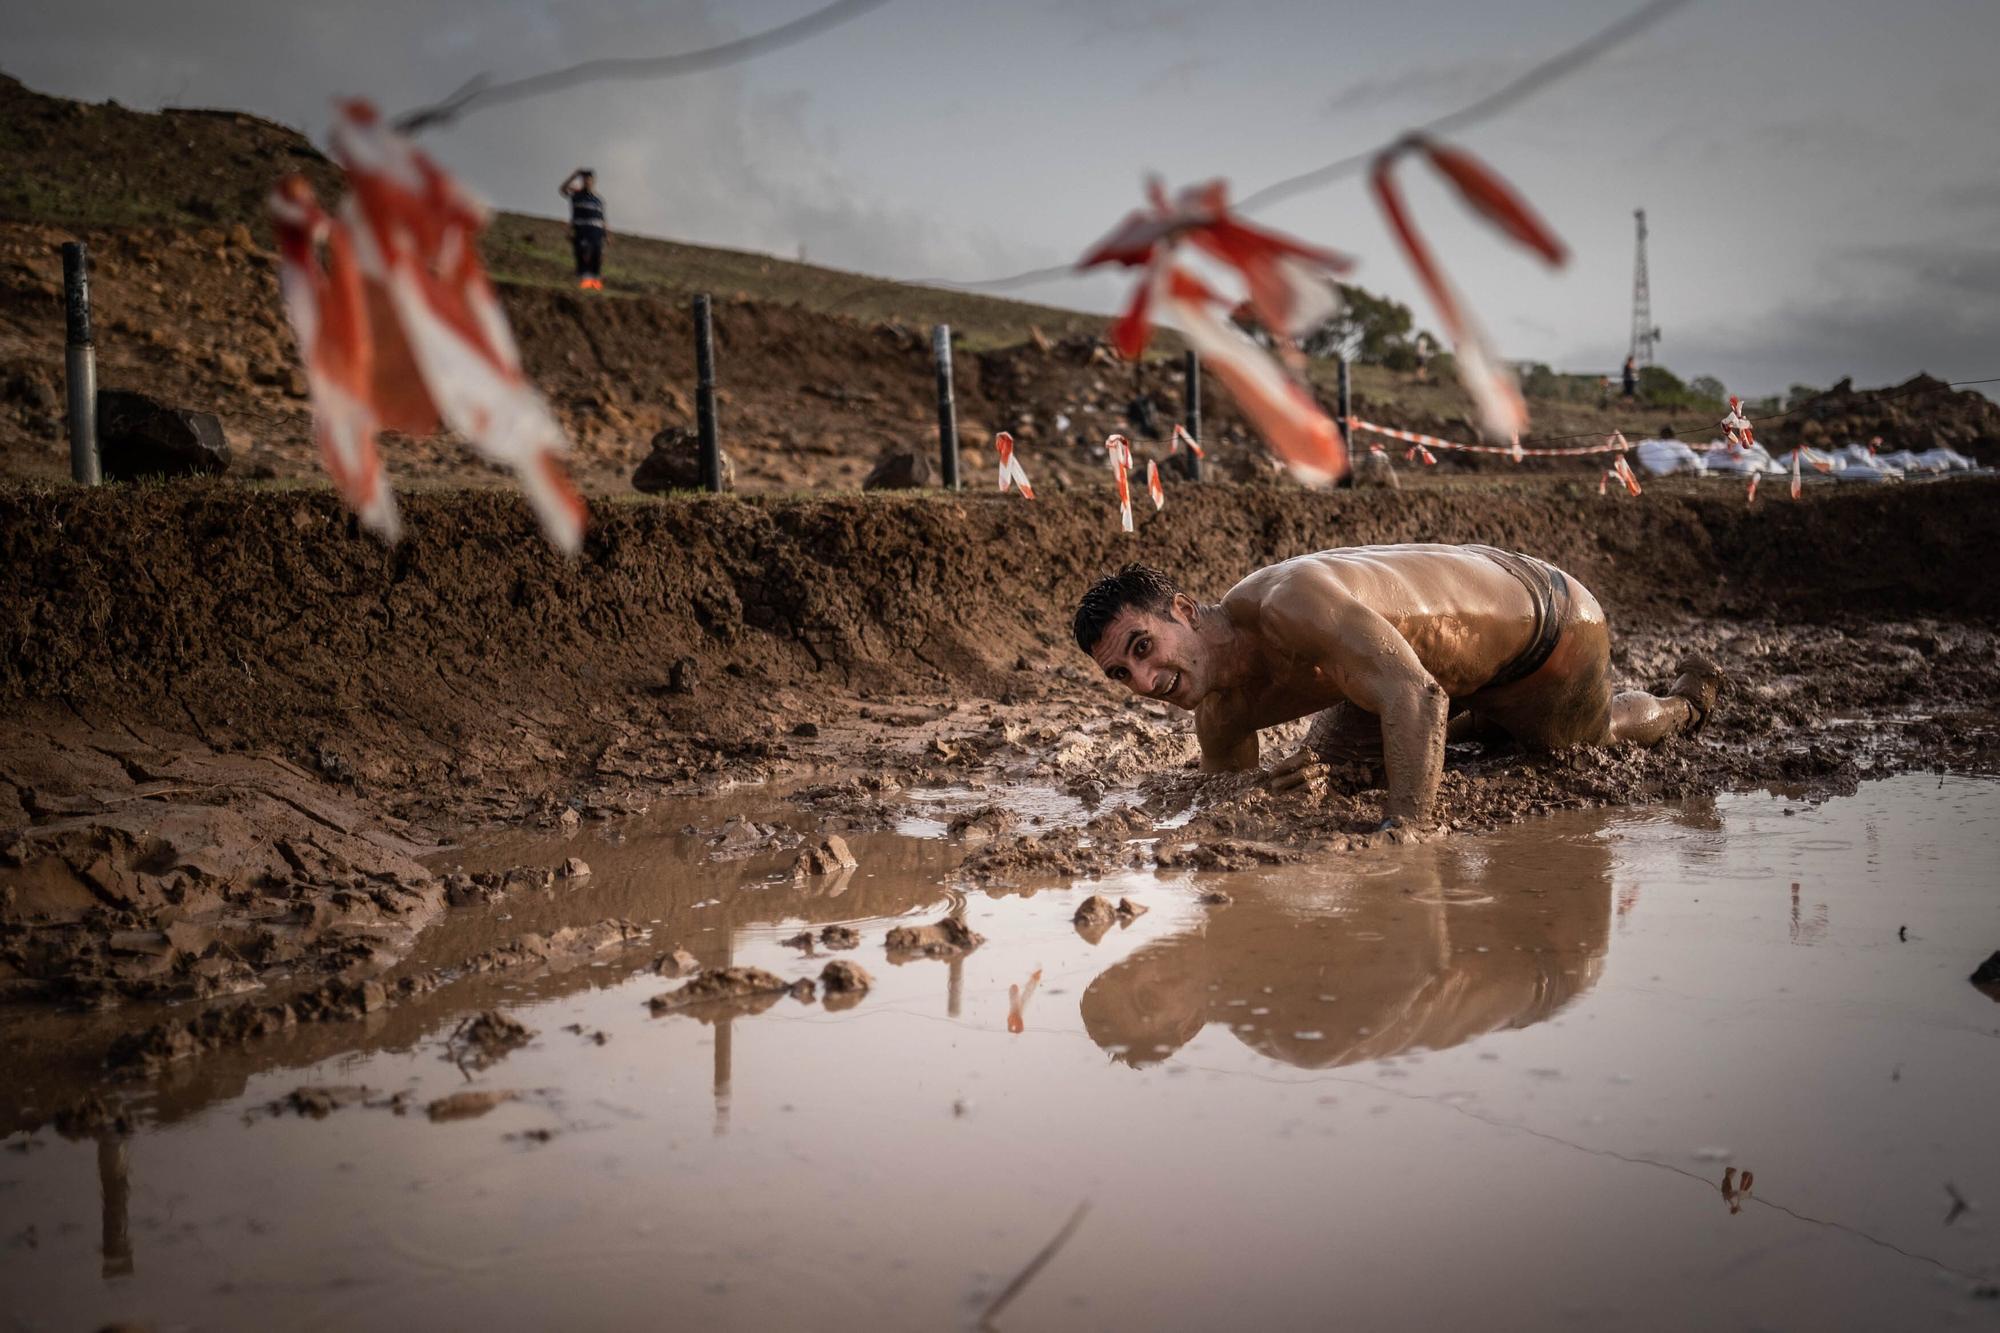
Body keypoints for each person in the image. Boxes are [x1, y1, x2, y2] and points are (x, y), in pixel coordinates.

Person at [1072, 550, 1721, 827]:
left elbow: (1418, 698)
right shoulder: (1219, 715)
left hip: (1547, 621)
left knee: (1583, 737)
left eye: (1142, 647)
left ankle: (1686, 702)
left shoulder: (1288, 605)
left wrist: (1405, 829)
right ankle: (1487, 718)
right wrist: (1266, 792)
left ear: (1184, 611)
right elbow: (1229, 801)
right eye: (1121, 674)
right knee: (1339, 759)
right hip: (1435, 662)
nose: (1146, 682)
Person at [559, 168, 608, 291]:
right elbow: (562, 189)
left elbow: (603, 218)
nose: (587, 182)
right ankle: (585, 282)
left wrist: (607, 235)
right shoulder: (576, 195)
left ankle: (595, 283)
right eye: (585, 180)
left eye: (589, 180)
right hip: (581, 231)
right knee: (583, 254)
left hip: (596, 232)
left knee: (597, 256)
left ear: (593, 181)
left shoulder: (598, 200)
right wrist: (574, 175)